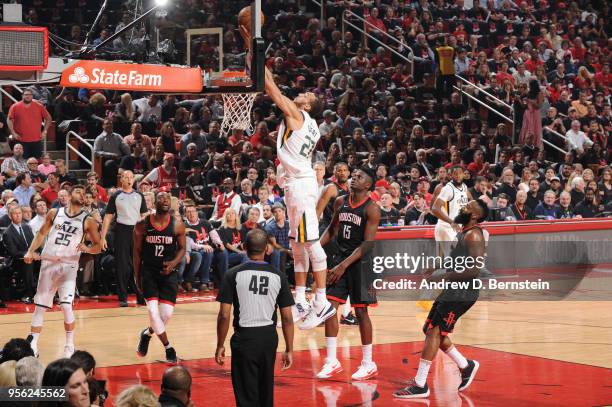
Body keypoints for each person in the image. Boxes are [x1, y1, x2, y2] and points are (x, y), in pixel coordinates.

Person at [258, 53, 333, 329]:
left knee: (310, 243)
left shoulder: (299, 115)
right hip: (297, 184)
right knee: (297, 244)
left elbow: (272, 89)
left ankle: (322, 301)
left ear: (309, 106)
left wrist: (254, 52)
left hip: (300, 186)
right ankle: (300, 300)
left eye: (308, 95)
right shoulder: (311, 125)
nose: (303, 93)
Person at [394, 199, 488, 399]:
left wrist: (444, 275)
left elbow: (474, 269)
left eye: (467, 206)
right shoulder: (464, 232)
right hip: (454, 289)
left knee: (434, 332)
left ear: (475, 215)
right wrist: (435, 267)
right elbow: (456, 260)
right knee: (429, 329)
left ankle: (420, 384)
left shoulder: (474, 235)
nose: (462, 207)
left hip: (463, 292)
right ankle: (465, 365)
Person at [216, 228, 294, 407]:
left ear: (244, 247)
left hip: (244, 338)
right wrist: (289, 348)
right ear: (267, 248)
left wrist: (220, 344)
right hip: (268, 338)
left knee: (246, 395)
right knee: (266, 391)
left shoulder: (232, 274)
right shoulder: (279, 276)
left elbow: (224, 315)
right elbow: (288, 318)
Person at [24, 185, 102, 358]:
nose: (81, 195)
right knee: (40, 307)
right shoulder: (54, 213)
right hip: (49, 264)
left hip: (69, 265)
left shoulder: (88, 220)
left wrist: (87, 249)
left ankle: (69, 344)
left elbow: (98, 246)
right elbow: (41, 234)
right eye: (78, 191)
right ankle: (34, 344)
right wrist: (30, 251)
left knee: (66, 306)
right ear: (69, 193)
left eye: (84, 194)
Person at [317, 167, 381, 380]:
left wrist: (343, 265)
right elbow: (332, 230)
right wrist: (316, 247)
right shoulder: (340, 201)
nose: (355, 177)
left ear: (368, 185)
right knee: (329, 308)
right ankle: (332, 360)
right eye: (354, 175)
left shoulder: (372, 209)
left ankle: (368, 362)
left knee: (361, 312)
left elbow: (368, 244)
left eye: (360, 176)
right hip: (340, 261)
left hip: (360, 264)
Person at [134, 191, 186, 364]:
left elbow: (182, 249)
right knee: (153, 312)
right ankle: (168, 347)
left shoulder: (177, 224)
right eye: (160, 198)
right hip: (149, 272)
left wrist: (173, 264)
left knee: (165, 315)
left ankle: (147, 333)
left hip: (169, 274)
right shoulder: (142, 224)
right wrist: (136, 275)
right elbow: (137, 253)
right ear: (154, 203)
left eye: (167, 198)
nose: (164, 200)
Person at [101, 171, 148, 307]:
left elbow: (144, 215)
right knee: (122, 265)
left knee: (138, 265)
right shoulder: (116, 195)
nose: (128, 179)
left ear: (133, 179)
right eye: (125, 177)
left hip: (137, 231)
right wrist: (103, 237)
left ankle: (141, 296)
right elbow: (108, 217)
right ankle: (123, 297)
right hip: (121, 231)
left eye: (130, 177)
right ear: (121, 179)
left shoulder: (139, 195)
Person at [2, 206, 36, 303]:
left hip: (31, 257)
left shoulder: (27, 227)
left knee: (46, 261)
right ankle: (30, 294)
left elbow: (34, 244)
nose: (18, 215)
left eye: (19, 213)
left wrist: (36, 253)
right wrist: (29, 254)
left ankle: (49, 293)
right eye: (15, 213)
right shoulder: (7, 233)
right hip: (16, 261)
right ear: (10, 216)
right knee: (28, 263)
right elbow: (14, 253)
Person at [7, 89, 52, 159]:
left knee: (35, 162)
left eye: (30, 95)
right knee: (22, 162)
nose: (28, 96)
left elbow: (49, 118)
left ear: (32, 96)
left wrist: (45, 131)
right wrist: (13, 133)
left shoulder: (39, 106)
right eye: (26, 95)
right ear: (22, 96)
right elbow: (9, 120)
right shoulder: (15, 106)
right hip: (21, 140)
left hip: (36, 140)